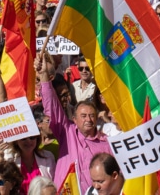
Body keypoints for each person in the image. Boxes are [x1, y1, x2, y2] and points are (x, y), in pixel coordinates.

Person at [37, 51, 111, 195]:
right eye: (83, 116)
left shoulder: (106, 143)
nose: (88, 120)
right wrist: (44, 76)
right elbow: (51, 106)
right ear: (75, 120)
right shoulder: (67, 131)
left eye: (91, 116)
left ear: (97, 119)